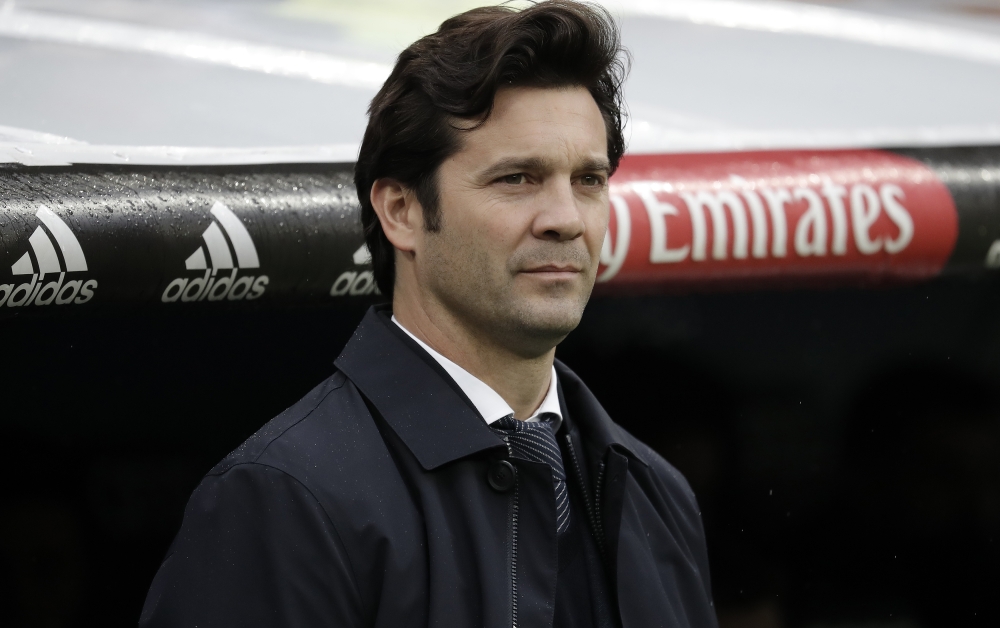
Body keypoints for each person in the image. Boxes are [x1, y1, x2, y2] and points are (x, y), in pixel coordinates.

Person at [139, 2, 716, 627]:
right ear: (402, 211)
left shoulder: (657, 494)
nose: (566, 218)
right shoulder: (283, 500)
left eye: (588, 179)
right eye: (517, 178)